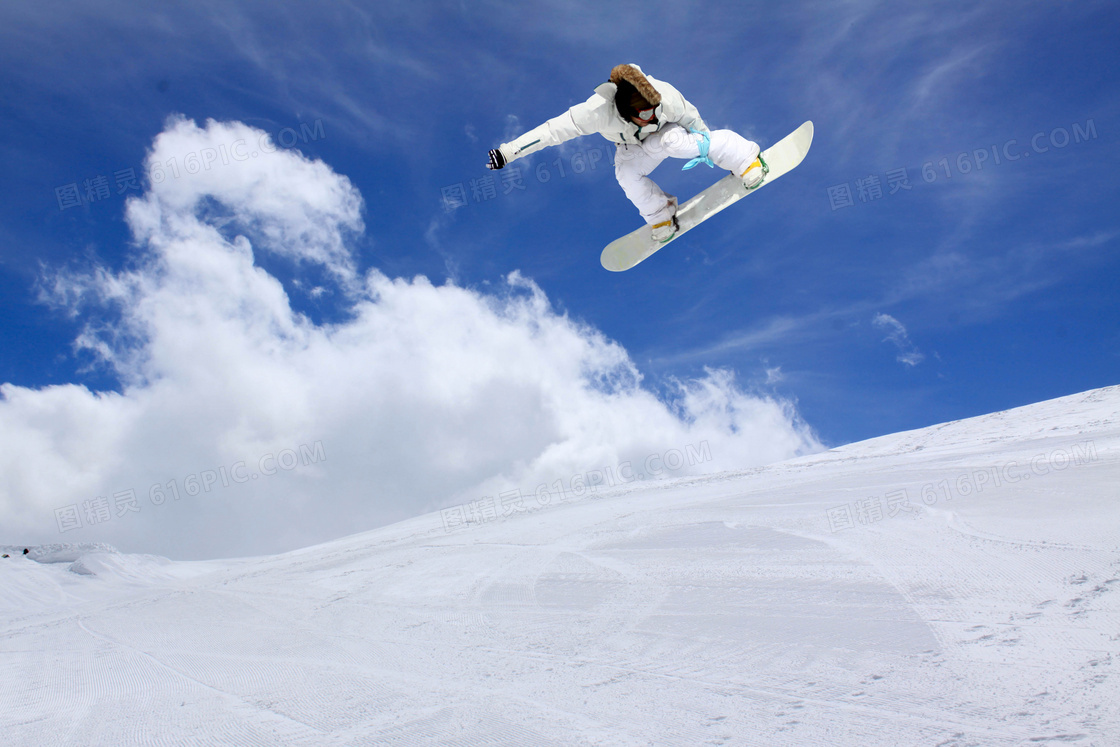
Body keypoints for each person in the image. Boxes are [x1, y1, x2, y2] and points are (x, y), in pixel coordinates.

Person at [486, 64, 766, 243]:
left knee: (678, 143)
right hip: (633, 148)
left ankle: (744, 157)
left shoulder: (664, 97)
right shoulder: (595, 112)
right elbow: (551, 131)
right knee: (625, 173)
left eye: (654, 109)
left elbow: (696, 126)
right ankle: (662, 214)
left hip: (670, 135)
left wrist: (713, 152)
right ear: (626, 110)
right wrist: (507, 153)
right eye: (645, 113)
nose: (653, 116)